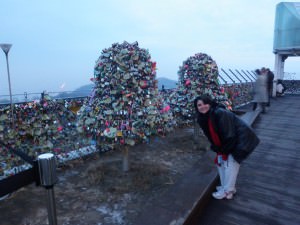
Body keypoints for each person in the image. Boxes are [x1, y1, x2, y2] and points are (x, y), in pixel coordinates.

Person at [194, 95, 260, 200]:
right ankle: (228, 188)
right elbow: (213, 135)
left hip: (240, 140)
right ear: (196, 107)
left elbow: (230, 135)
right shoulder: (204, 118)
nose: (203, 107)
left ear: (210, 103)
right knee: (221, 163)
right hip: (230, 140)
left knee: (230, 165)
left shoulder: (219, 113)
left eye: (205, 103)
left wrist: (222, 150)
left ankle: (227, 190)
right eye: (199, 105)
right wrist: (217, 148)